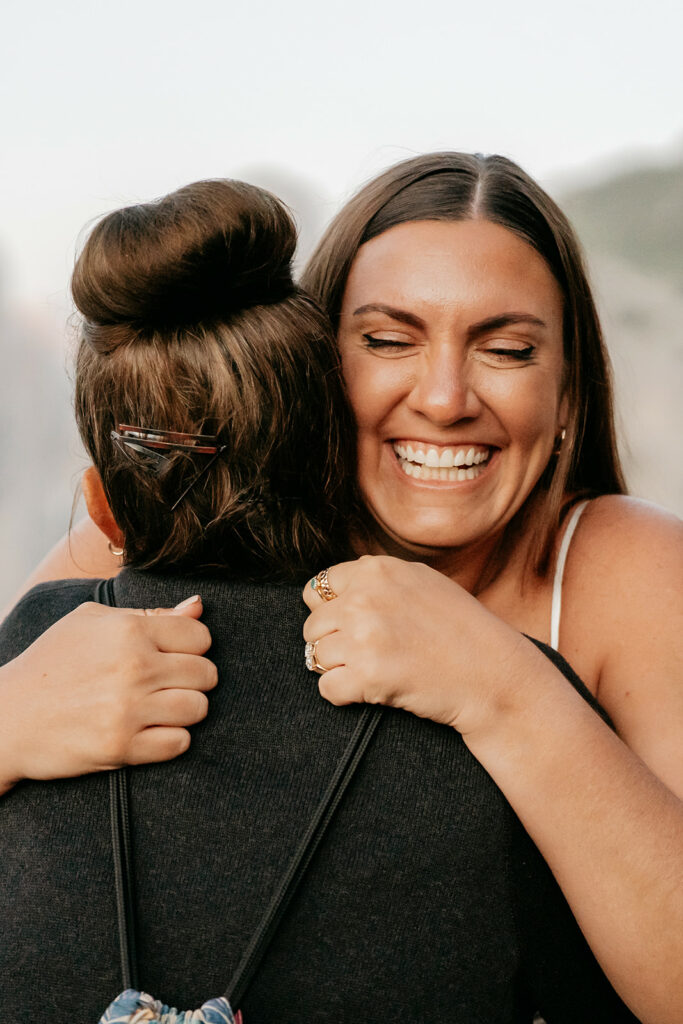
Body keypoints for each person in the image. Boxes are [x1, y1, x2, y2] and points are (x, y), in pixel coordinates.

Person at [0, 156, 681, 1020]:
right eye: (388, 341)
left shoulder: (626, 568)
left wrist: (507, 691)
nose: (443, 399)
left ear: (567, 400)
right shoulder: (148, 533)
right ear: (304, 368)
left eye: (506, 351)